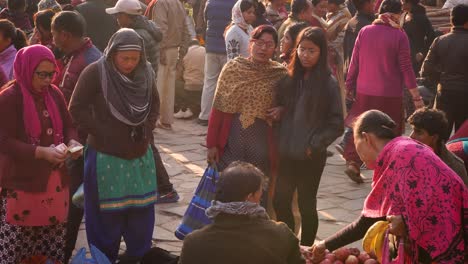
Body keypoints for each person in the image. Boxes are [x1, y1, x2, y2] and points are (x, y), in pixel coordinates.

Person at [309, 110, 468, 263]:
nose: (359, 155)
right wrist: (325, 245)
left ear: (366, 138)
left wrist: (406, 222)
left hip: (447, 239)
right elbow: (370, 220)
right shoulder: (399, 150)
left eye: (357, 146)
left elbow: (433, 206)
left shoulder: (401, 154)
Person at [69, 29, 159, 263]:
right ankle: (103, 258)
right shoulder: (96, 72)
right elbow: (76, 107)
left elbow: (154, 105)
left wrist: (147, 130)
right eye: (125, 58)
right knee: (104, 215)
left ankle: (138, 255)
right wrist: (102, 132)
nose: (130, 64)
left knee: (141, 212)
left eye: (135, 58)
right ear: (112, 54)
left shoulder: (146, 73)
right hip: (105, 156)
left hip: (139, 154)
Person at [0, 44, 81, 263]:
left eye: (51, 74)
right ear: (26, 70)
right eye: (41, 75)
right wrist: (39, 152)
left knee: (51, 240)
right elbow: (4, 141)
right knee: (18, 241)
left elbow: (68, 124)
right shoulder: (9, 98)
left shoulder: (53, 94)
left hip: (54, 183)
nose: (47, 80)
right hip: (22, 183)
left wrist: (72, 141)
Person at [273, 27, 344, 246]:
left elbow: (336, 124)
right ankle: (289, 244)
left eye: (311, 50)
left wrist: (314, 144)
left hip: (310, 156)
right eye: (302, 49)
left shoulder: (328, 84)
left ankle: (306, 249)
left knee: (306, 205)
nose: (305, 55)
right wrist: (280, 111)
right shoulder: (289, 78)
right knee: (280, 200)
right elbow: (285, 106)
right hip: (286, 151)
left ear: (321, 53)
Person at [343, 0, 424, 183]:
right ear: (397, 14)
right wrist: (416, 96)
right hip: (390, 93)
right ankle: (385, 170)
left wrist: (349, 85)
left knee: (360, 126)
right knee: (389, 131)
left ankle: (353, 162)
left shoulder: (365, 31)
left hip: (364, 90)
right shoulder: (399, 35)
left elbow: (354, 62)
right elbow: (406, 68)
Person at [107, 0, 179, 204]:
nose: (116, 19)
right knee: (145, 141)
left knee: (147, 142)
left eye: (119, 15)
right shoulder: (146, 29)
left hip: (138, 94)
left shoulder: (137, 36)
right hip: (143, 91)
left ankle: (165, 188)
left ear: (128, 17)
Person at [206, 25, 287, 205]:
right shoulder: (233, 69)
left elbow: (291, 104)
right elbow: (218, 107)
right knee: (229, 184)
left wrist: (282, 110)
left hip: (261, 140)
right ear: (250, 44)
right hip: (232, 137)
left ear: (275, 48)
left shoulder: (280, 74)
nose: (263, 49)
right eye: (259, 43)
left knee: (258, 187)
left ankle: (255, 228)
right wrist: (211, 144)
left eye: (269, 44)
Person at [50, 11, 102, 263]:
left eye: (53, 33)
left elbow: (74, 108)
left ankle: (64, 252)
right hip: (85, 141)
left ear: (65, 34)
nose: (52, 39)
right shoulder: (88, 56)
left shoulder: (83, 63)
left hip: (81, 144)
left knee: (72, 205)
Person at [179, 161, 306, 264]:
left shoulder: (194, 242)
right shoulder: (280, 234)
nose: (261, 196)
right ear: (250, 197)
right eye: (260, 192)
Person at [420, 4, 468, 135]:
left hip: (444, 94)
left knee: (439, 136)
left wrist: (441, 80)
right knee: (463, 139)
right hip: (465, 96)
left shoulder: (439, 40)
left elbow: (426, 69)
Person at [334, 0, 374, 155]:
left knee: (357, 110)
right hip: (361, 74)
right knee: (360, 111)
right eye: (371, 3)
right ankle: (347, 142)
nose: (373, 6)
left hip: (351, 71)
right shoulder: (366, 26)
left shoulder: (353, 21)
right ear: (365, 4)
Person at [146, 0, 190, 130]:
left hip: (163, 48)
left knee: (158, 86)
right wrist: (181, 53)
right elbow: (186, 31)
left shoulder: (161, 3)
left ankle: (153, 120)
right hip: (174, 49)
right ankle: (166, 119)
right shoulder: (178, 3)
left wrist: (161, 49)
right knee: (169, 87)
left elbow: (161, 28)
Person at [197, 0, 237, 126]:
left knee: (209, 82)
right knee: (227, 83)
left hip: (211, 47)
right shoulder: (235, 3)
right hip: (227, 48)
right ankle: (222, 117)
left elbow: (205, 19)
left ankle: (204, 115)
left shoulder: (210, 3)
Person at [408, 108, 468, 184]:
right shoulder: (406, 157)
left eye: (419, 132)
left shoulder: (454, 167)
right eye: (412, 130)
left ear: (435, 138)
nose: (411, 136)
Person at [326, 0, 351, 116]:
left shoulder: (344, 14)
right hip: (330, 54)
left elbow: (333, 35)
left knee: (338, 85)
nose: (326, 6)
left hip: (338, 55)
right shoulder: (331, 13)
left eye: (329, 3)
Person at [401, 0, 435, 75]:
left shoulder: (421, 17)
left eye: (403, 2)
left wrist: (422, 52)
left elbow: (431, 36)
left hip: (417, 56)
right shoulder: (404, 15)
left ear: (409, 3)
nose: (402, 4)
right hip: (406, 54)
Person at [174, 39, 206, 119]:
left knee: (175, 83)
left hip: (189, 86)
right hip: (203, 86)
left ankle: (184, 108)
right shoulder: (205, 51)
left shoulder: (186, 54)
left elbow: (179, 73)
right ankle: (188, 108)